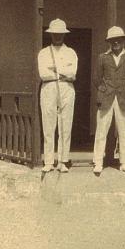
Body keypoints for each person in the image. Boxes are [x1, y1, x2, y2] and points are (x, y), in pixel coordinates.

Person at [92, 26, 125, 175]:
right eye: (113, 40)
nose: (116, 42)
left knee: (124, 131)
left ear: (123, 41)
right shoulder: (102, 57)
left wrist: (123, 88)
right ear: (109, 42)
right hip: (106, 98)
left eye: (119, 39)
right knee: (101, 130)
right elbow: (97, 79)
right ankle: (98, 162)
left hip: (123, 99)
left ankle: (124, 162)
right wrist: (105, 90)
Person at [38, 18, 78, 173]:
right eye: (55, 33)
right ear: (50, 34)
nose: (57, 36)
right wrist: (63, 72)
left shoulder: (71, 52)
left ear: (64, 35)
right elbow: (43, 74)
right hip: (48, 88)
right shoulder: (43, 53)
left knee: (65, 124)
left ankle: (63, 160)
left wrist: (55, 69)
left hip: (67, 88)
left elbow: (73, 73)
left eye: (60, 33)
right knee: (48, 124)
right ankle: (48, 161)